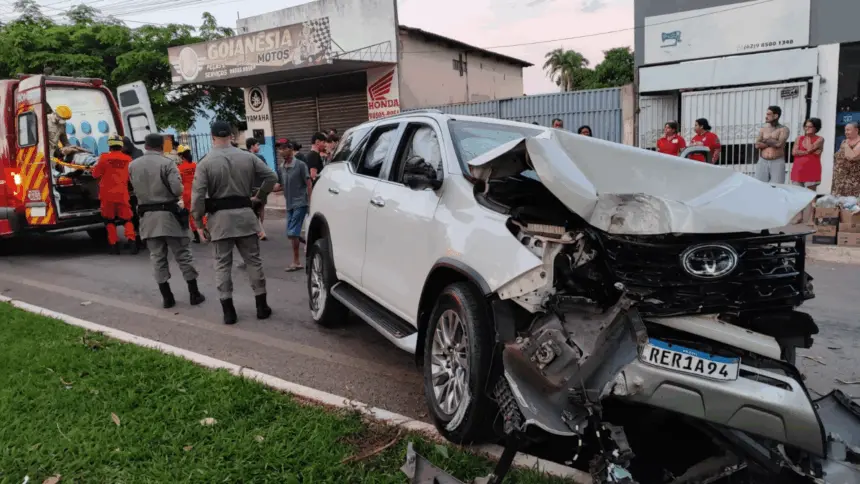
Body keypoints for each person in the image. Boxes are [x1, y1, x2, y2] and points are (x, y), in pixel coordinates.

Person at [191, 121, 278, 325]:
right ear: (232, 136)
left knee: (222, 264)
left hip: (219, 221)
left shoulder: (205, 163)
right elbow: (271, 176)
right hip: (245, 216)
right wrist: (259, 196)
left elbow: (197, 197)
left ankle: (229, 312)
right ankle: (261, 307)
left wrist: (198, 222)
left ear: (212, 137)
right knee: (253, 261)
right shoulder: (248, 157)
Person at [129, 133, 205, 309]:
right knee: (183, 255)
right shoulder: (167, 163)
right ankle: (194, 294)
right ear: (161, 146)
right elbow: (177, 189)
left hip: (147, 218)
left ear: (146, 146)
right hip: (169, 216)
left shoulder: (133, 165)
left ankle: (167, 297)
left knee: (157, 258)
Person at [90, 135, 138, 255]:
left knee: (109, 220)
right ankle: (132, 242)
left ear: (109, 145)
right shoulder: (128, 159)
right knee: (127, 219)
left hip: (107, 195)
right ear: (121, 146)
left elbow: (95, 175)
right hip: (122, 194)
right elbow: (131, 177)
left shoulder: (104, 158)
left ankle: (114, 246)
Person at [272, 140, 311, 272]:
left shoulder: (300, 165)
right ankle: (309, 244)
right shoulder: (281, 167)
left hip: (300, 203)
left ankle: (296, 261)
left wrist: (310, 202)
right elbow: (281, 185)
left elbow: (308, 183)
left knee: (292, 233)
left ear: (290, 148)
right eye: (279, 149)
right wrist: (271, 188)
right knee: (292, 233)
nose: (281, 151)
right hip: (289, 204)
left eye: (284, 148)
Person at [790, 118, 824, 224]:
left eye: (810, 127)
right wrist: (808, 152)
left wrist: (807, 150)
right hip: (798, 169)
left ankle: (811, 218)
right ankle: (799, 216)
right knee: (798, 194)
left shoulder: (820, 139)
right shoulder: (799, 138)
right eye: (806, 126)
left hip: (811, 168)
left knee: (811, 195)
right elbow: (794, 152)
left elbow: (810, 148)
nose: (807, 129)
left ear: (816, 128)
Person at [754, 106, 790, 184]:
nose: (766, 116)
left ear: (776, 116)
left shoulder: (784, 129)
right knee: (759, 185)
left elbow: (779, 144)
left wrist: (765, 141)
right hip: (762, 161)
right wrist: (772, 141)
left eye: (768, 114)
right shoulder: (763, 129)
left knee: (777, 186)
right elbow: (757, 145)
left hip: (777, 161)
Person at [122, 136, 145, 250]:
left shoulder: (134, 154)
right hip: (135, 189)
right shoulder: (137, 152)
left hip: (135, 190)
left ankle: (139, 238)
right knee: (136, 215)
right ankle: (139, 237)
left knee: (135, 215)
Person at [176, 145, 202, 243]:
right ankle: (205, 231)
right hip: (197, 190)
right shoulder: (196, 165)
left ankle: (197, 236)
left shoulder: (180, 168)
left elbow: (179, 182)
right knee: (201, 211)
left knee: (191, 215)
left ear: (181, 156)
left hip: (187, 193)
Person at [245, 137, 269, 241]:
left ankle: (258, 230)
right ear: (252, 146)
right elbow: (267, 171)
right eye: (257, 145)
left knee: (252, 209)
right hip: (261, 186)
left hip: (251, 187)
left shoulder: (245, 158)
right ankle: (260, 230)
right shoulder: (260, 158)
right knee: (261, 208)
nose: (258, 147)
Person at [832, 121, 860, 197]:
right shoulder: (844, 141)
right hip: (840, 180)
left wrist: (846, 145)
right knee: (840, 203)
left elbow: (852, 157)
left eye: (848, 130)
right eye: (845, 130)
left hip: (853, 181)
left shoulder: (857, 143)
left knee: (852, 204)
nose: (846, 132)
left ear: (856, 130)